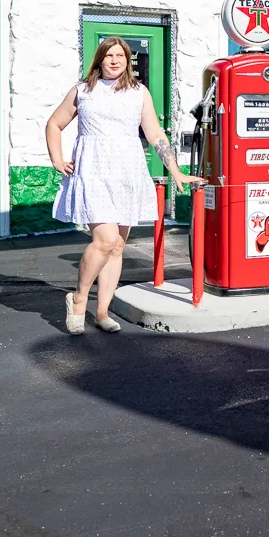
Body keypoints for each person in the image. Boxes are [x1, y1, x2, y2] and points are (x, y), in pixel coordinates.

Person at [44, 37, 202, 334]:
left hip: (128, 173)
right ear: (99, 59)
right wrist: (56, 158)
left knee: (116, 246)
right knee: (104, 240)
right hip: (93, 172)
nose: (115, 60)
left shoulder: (138, 92)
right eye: (109, 55)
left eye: (121, 55)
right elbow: (54, 124)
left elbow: (155, 133)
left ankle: (102, 312)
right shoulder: (83, 91)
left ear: (128, 61)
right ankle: (78, 299)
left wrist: (176, 171)